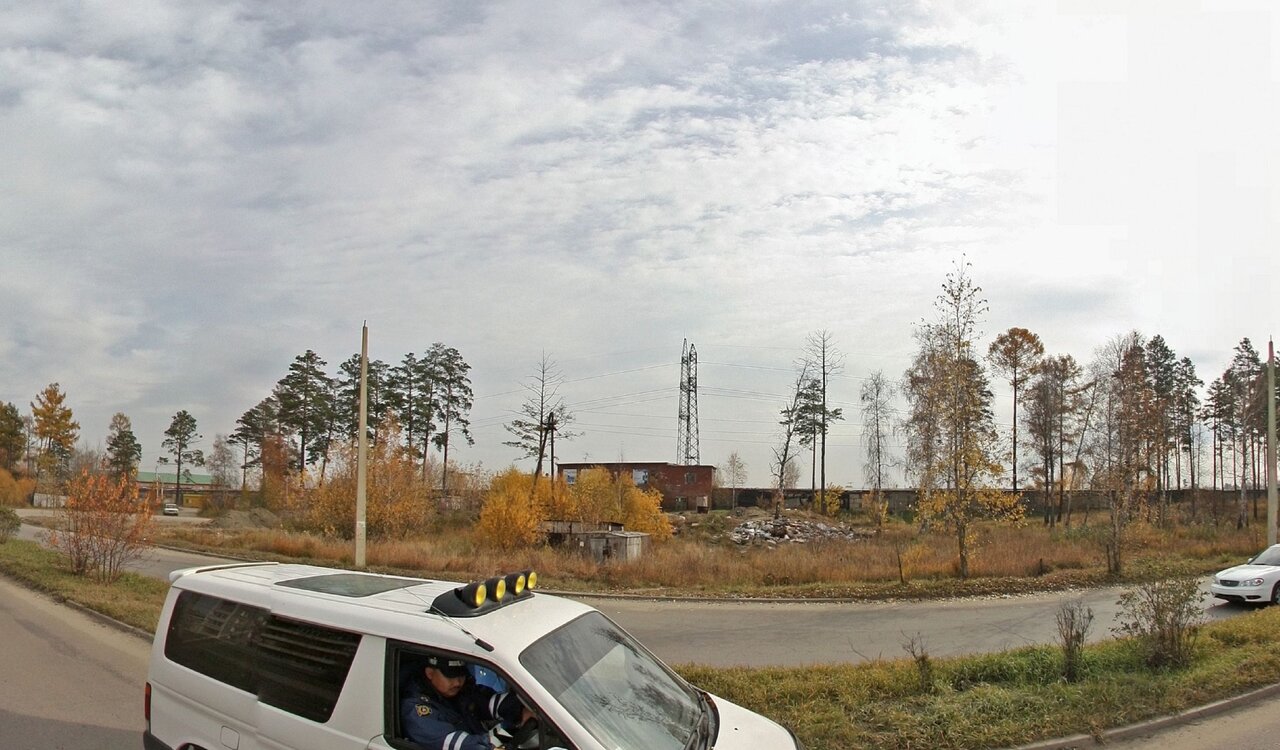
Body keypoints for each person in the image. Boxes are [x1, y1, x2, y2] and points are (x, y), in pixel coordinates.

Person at [401, 654, 533, 750]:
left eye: (460, 675)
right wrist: (490, 745)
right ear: (430, 673)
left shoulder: (460, 691)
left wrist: (523, 710)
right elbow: (454, 744)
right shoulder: (416, 708)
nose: (457, 682)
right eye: (450, 676)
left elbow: (490, 703)